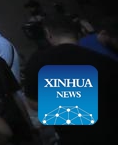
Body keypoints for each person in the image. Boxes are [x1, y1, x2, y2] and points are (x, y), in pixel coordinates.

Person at [23, 15, 118, 144]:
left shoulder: (38, 61)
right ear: (78, 34)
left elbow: (33, 102)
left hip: (70, 138)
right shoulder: (104, 60)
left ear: (47, 33)